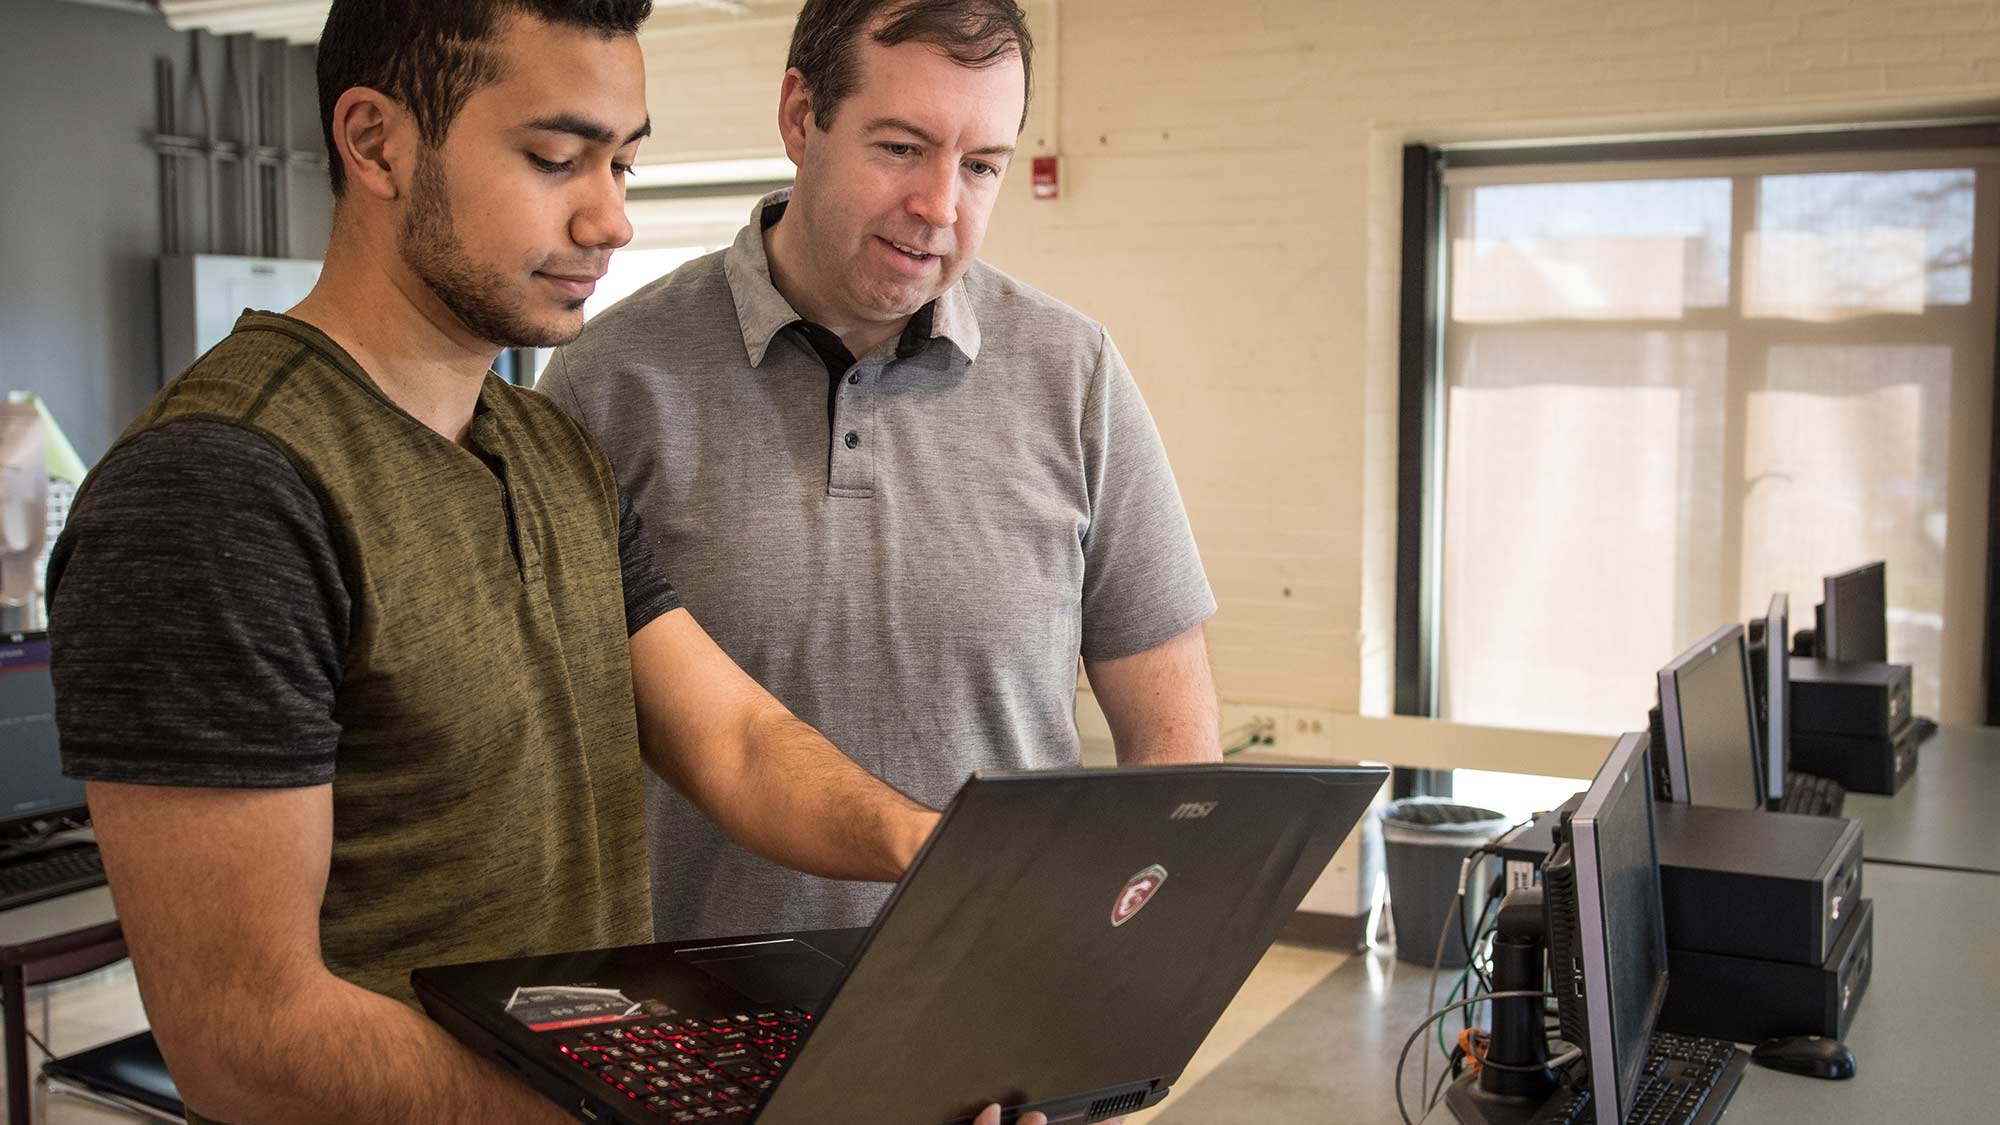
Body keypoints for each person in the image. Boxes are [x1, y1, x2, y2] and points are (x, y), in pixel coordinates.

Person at [48, 3, 1033, 1122]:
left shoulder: (546, 447)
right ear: (375, 143)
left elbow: (736, 743)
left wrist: (926, 845)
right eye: (556, 158)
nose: (611, 218)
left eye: (622, 161)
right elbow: (250, 1039)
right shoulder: (218, 491)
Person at [540, 0, 1222, 943]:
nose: (940, 208)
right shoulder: (607, 383)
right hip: (700, 1023)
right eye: (901, 147)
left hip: (991, 1022)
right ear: (799, 117)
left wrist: (1098, 993)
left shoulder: (1076, 375)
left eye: (981, 167)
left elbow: (1175, 748)